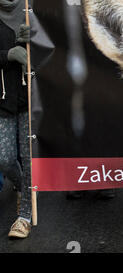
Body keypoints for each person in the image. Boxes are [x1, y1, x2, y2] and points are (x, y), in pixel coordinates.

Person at [0, 0, 33, 238]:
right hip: (2, 98)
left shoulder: (31, 10)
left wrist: (37, 39)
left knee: (30, 157)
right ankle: (21, 184)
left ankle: (24, 216)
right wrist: (7, 55)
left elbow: (53, 48)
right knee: (4, 157)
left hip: (31, 97)